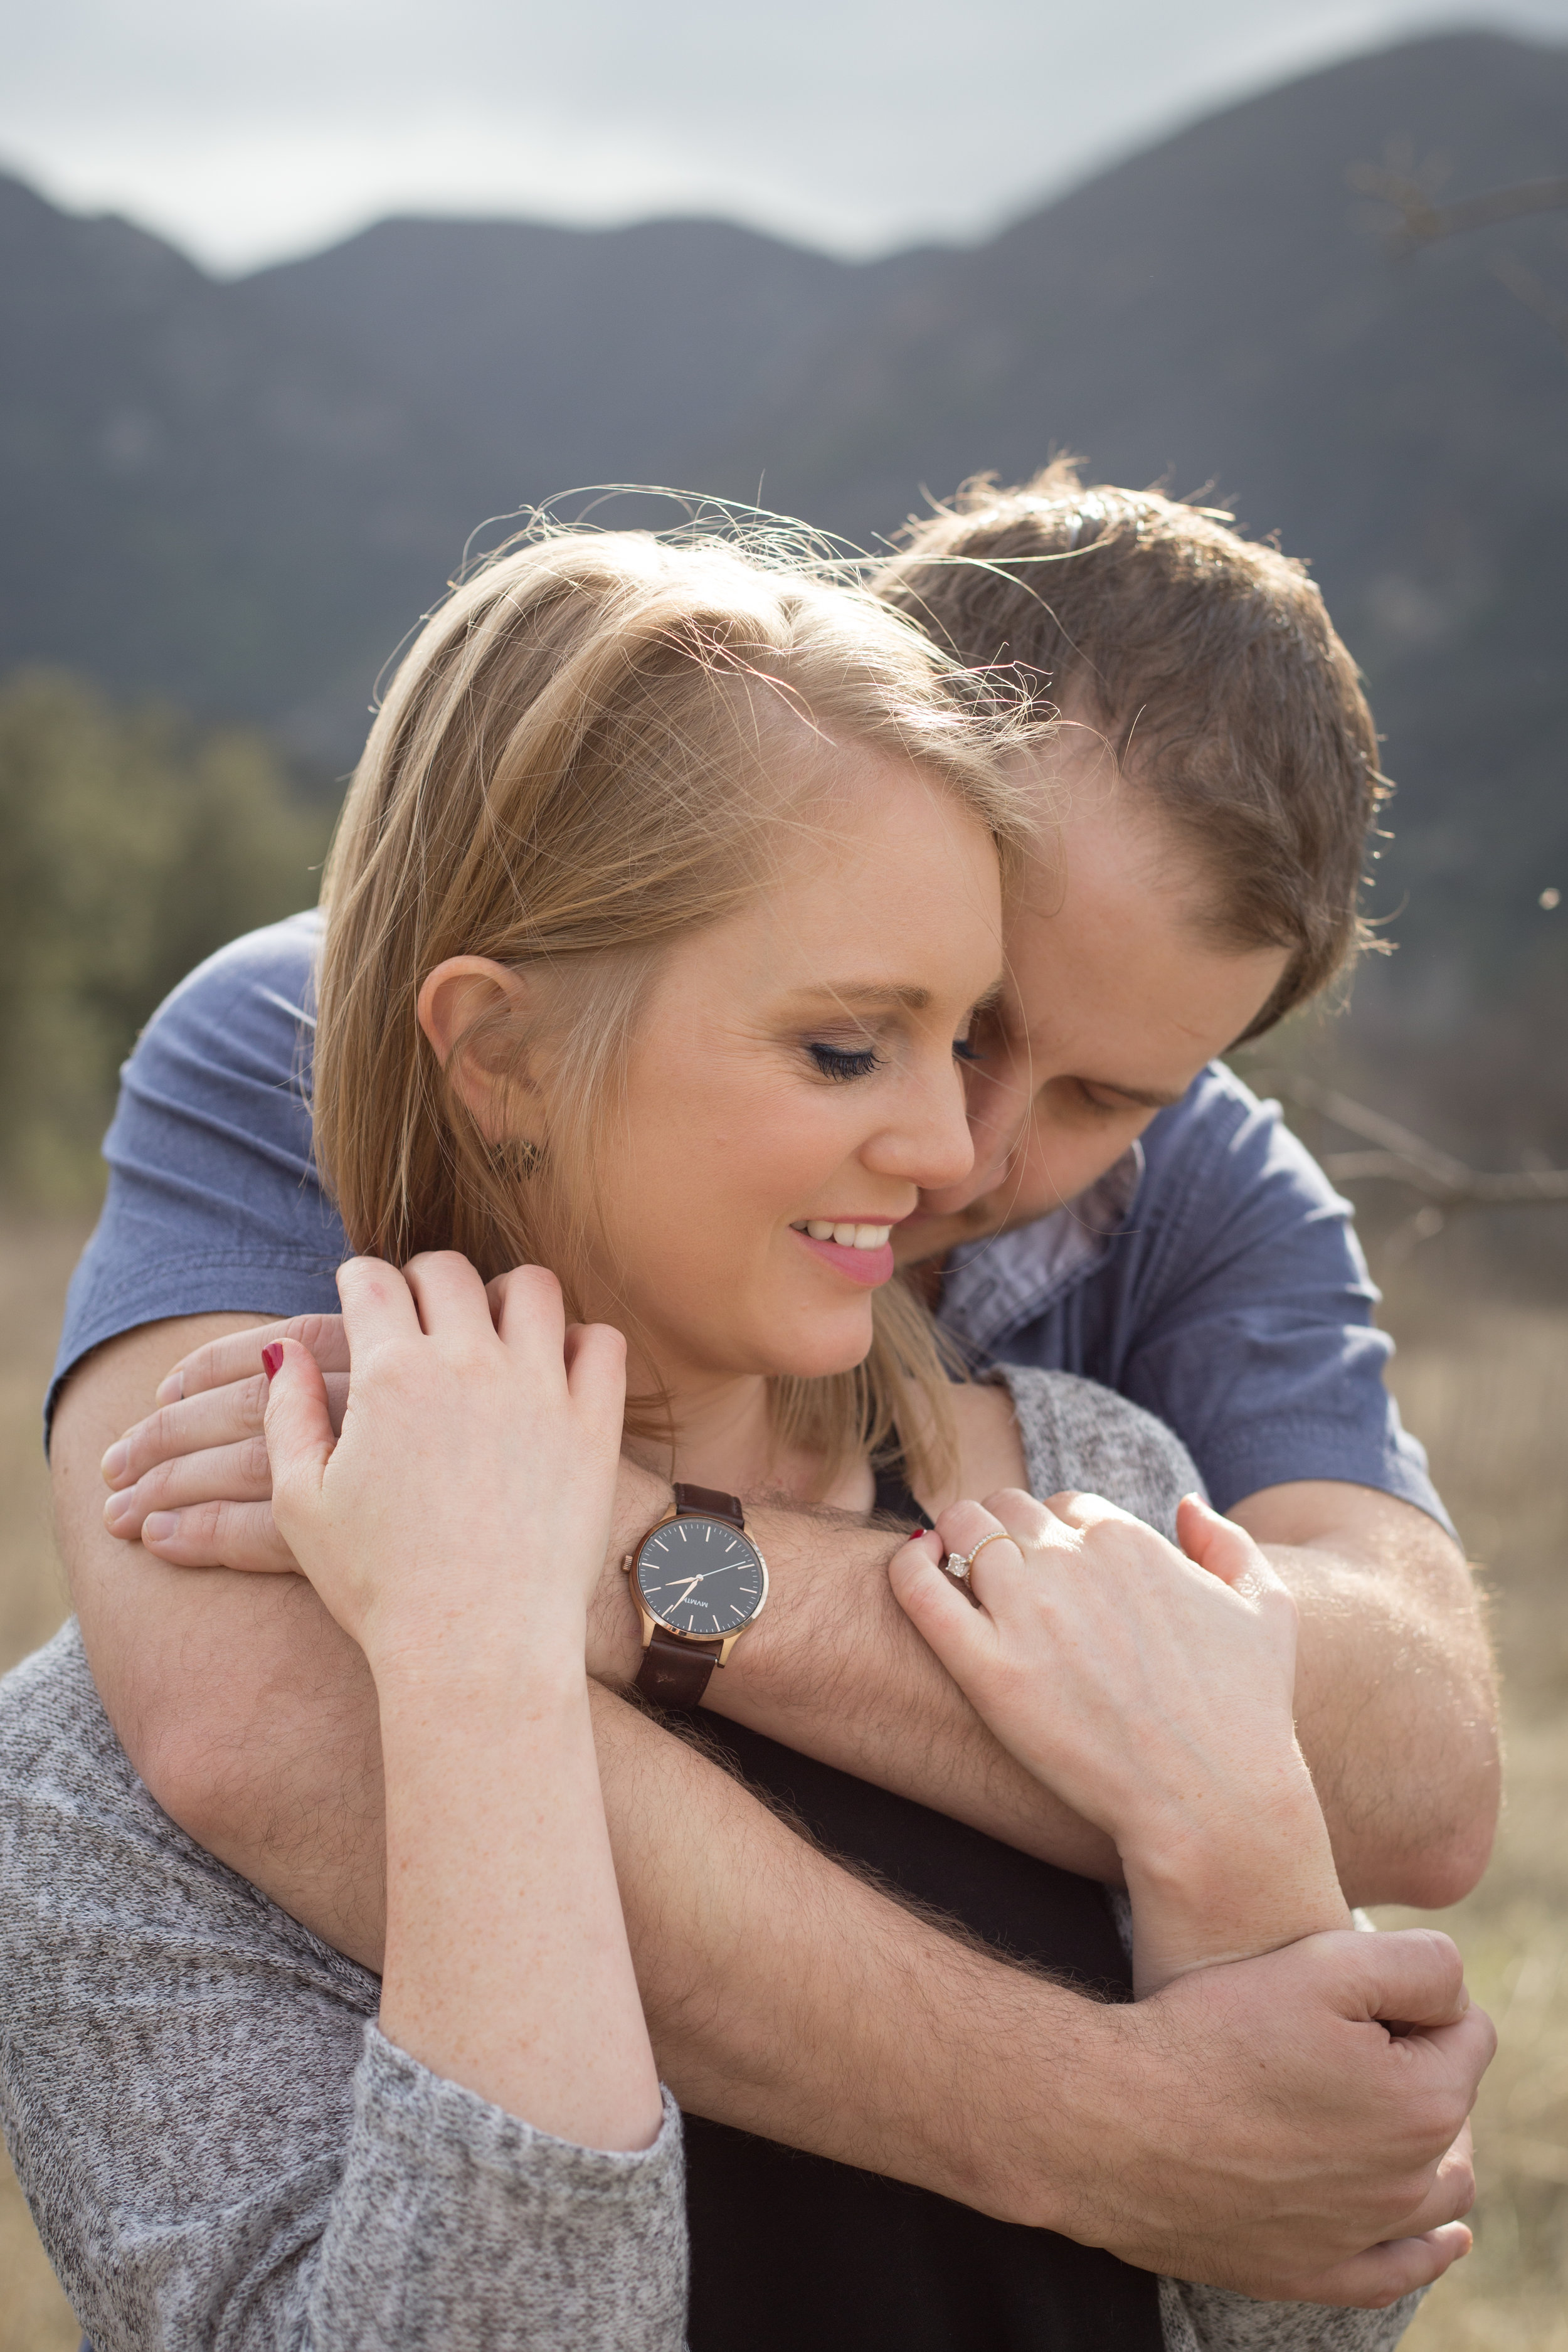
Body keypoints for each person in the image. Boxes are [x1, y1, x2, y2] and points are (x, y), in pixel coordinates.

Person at [6, 521, 1474, 2352]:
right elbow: (232, 1714)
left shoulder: (1111, 1485)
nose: (972, 1160)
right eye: (863, 1042)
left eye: (1080, 1091)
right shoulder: (92, 1778)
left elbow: (1304, 2257)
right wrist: (479, 1652)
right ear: (500, 1056)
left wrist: (625, 1562)